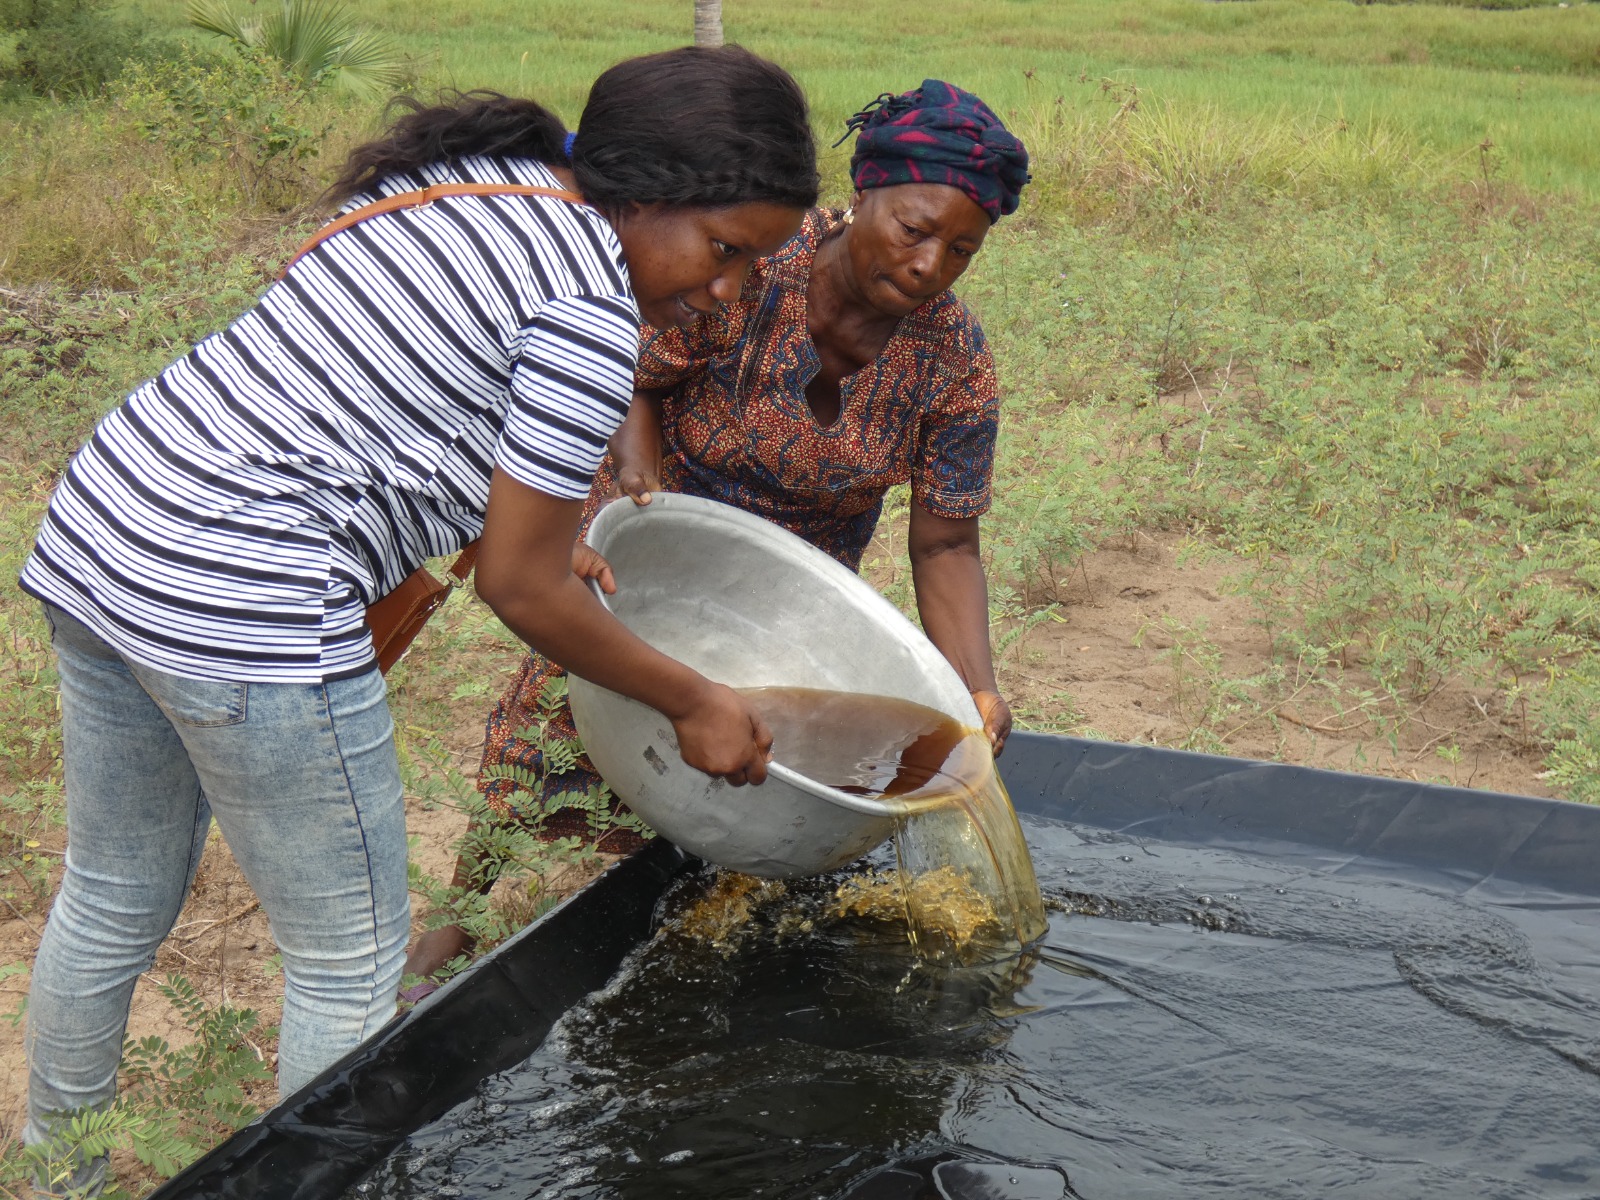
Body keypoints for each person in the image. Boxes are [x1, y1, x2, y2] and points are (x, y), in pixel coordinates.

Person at [18, 44, 818, 1184]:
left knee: (107, 897)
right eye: (725, 249)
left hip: (111, 530)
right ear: (647, 193)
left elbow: (397, 391)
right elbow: (520, 588)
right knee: (349, 961)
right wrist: (697, 701)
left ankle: (58, 1177)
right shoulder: (592, 312)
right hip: (245, 596)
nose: (727, 290)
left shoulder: (480, 185)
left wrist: (541, 531)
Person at [404, 79, 1030, 984]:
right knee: (549, 740)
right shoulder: (753, 268)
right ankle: (449, 938)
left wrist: (975, 687)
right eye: (914, 229)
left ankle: (669, 951)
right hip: (654, 550)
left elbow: (945, 543)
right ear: (866, 192)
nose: (931, 264)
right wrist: (637, 465)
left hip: (793, 604)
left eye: (962, 249)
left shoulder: (954, 365)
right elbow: (634, 370)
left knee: (749, 779)